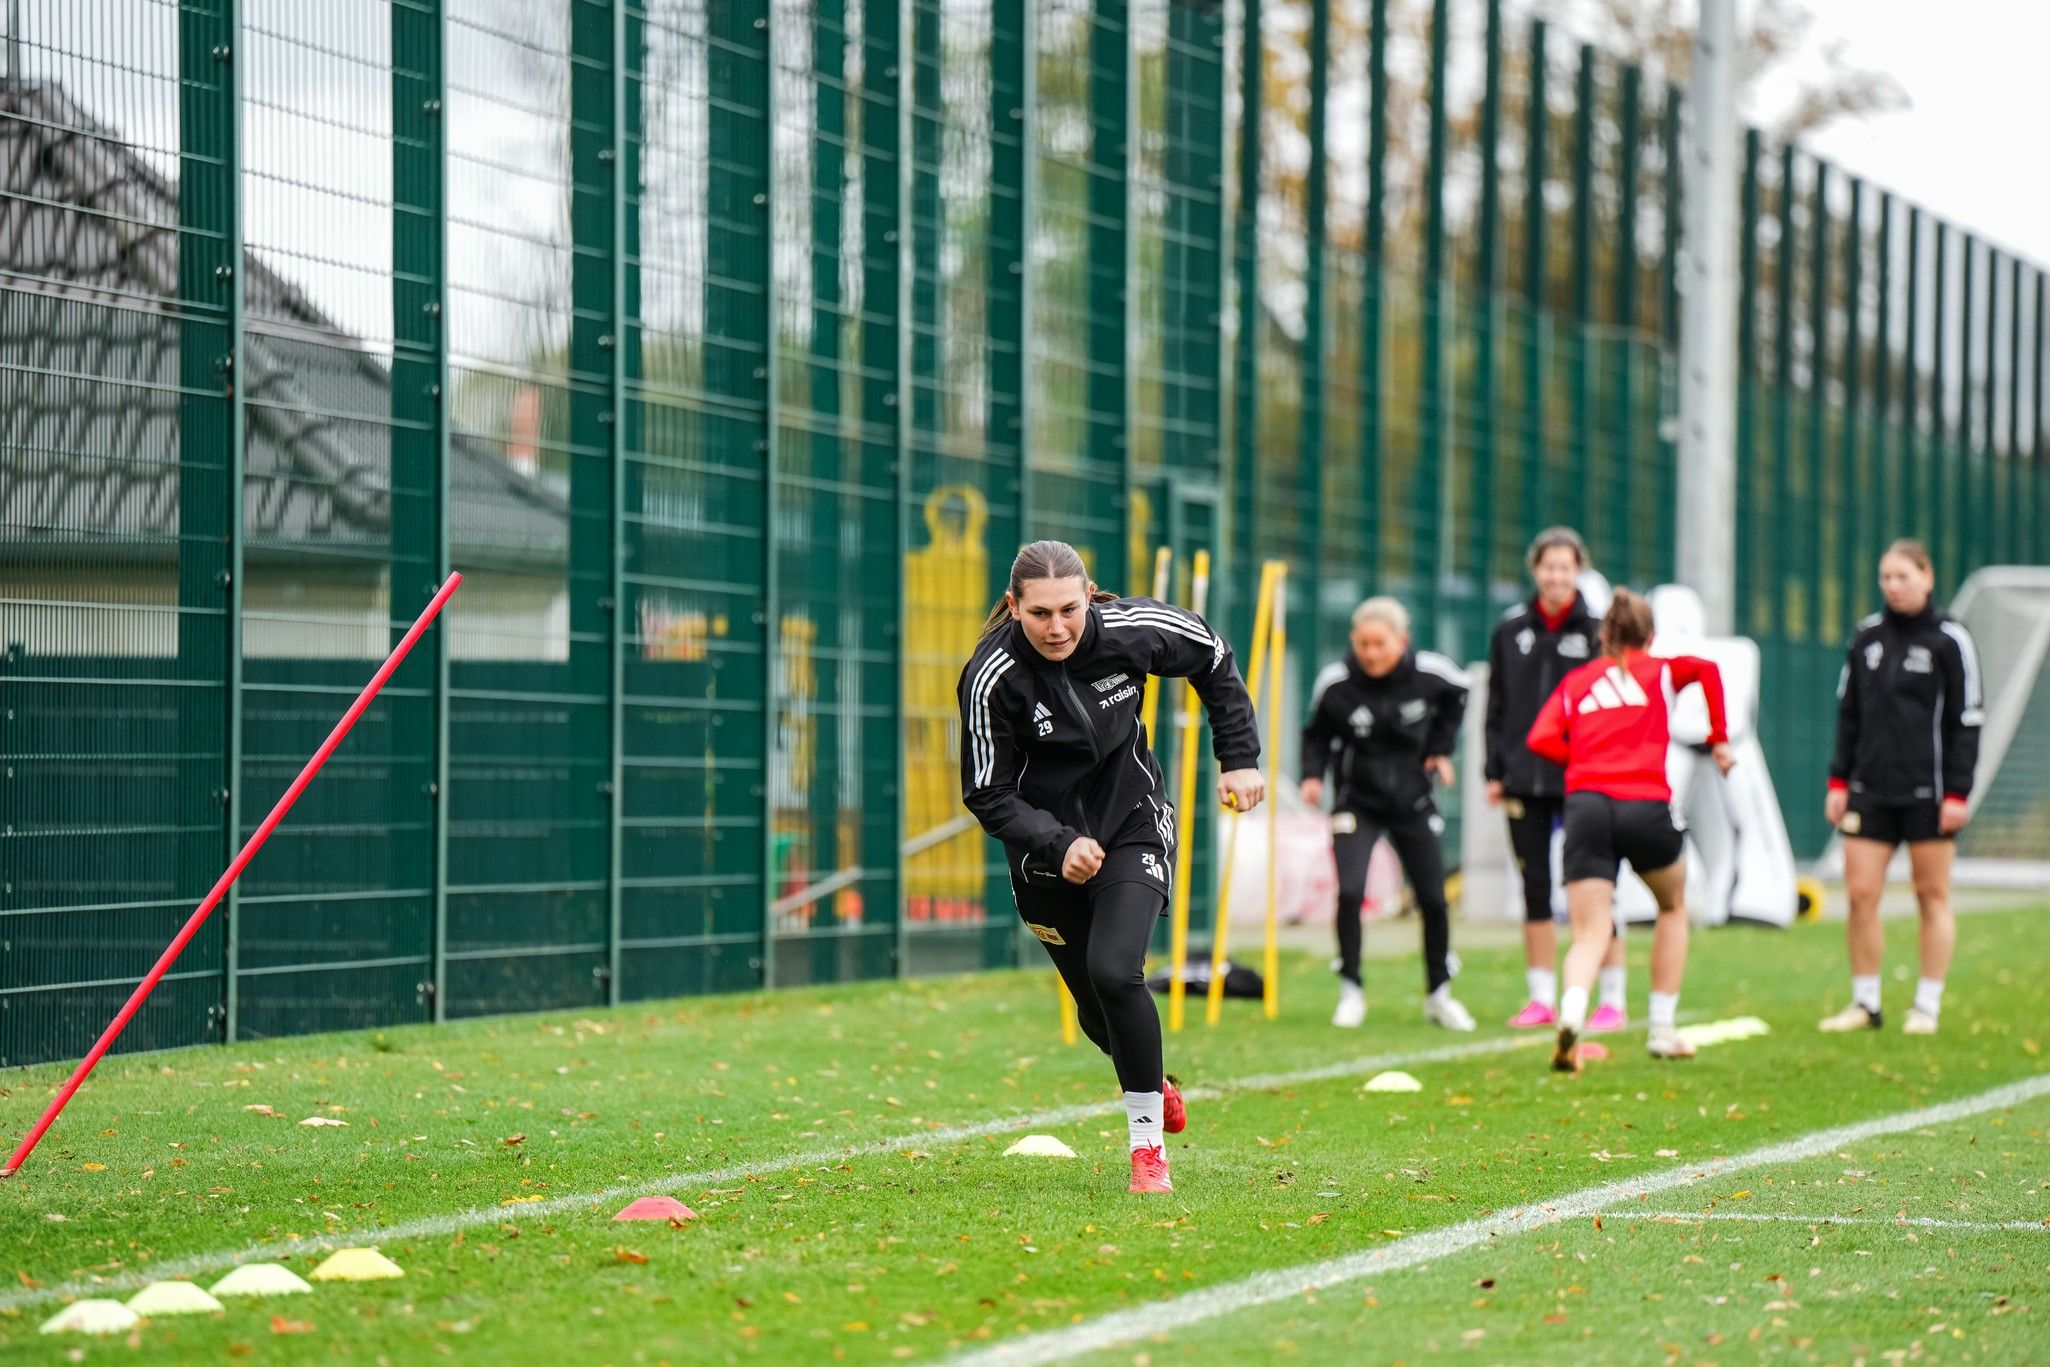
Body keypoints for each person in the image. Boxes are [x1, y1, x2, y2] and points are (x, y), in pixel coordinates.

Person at [957, 540, 1265, 1194]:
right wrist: (1055, 842)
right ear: (1014, 607)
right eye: (1039, 613)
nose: (1057, 627)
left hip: (1132, 824)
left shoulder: (1133, 631)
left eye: (1069, 608)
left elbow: (1212, 654)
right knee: (1098, 1013)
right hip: (1045, 863)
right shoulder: (991, 676)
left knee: (1114, 970)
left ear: (1089, 595)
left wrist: (1238, 754)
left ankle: (1147, 1149)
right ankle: (1154, 1081)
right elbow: (986, 792)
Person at [1526, 588, 1734, 1072]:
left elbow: (1539, 737)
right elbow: (1708, 670)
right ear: (1651, 636)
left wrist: (1580, 762)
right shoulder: (1662, 669)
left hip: (1586, 808)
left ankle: (1574, 1011)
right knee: (1673, 906)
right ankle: (1662, 1028)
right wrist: (1719, 739)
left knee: (1589, 931)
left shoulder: (1578, 681)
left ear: (1603, 636)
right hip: (1645, 804)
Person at [1820, 539, 1983, 1036]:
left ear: (1927, 577)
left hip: (1929, 796)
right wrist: (1838, 780)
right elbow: (1848, 716)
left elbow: (1967, 721)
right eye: (1886, 577)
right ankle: (1865, 1003)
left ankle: (1926, 1006)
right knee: (1860, 894)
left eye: (1902, 576)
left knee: (1930, 895)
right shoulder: (1866, 637)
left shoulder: (1950, 639)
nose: (1893, 586)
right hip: (1869, 791)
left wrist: (1957, 793)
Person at [1299, 597, 1475, 1032]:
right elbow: (1315, 734)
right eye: (1362, 644)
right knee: (1352, 892)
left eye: (1380, 643)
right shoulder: (1336, 683)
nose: (1371, 653)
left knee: (1433, 898)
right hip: (1356, 804)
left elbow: (1462, 693)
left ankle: (1439, 993)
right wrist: (1312, 776)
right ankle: (1351, 989)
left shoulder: (1431, 673)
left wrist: (1439, 749)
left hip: (1414, 802)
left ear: (1402, 640)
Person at [1484, 527, 1630, 1032]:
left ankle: (1611, 997)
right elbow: (1497, 706)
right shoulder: (1509, 631)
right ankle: (1541, 996)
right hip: (1524, 779)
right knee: (1535, 887)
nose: (1556, 576)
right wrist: (1494, 770)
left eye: (1566, 567)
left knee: (1597, 887)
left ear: (1578, 571)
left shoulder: (1598, 633)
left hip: (1584, 779)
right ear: (1534, 569)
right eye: (1548, 566)